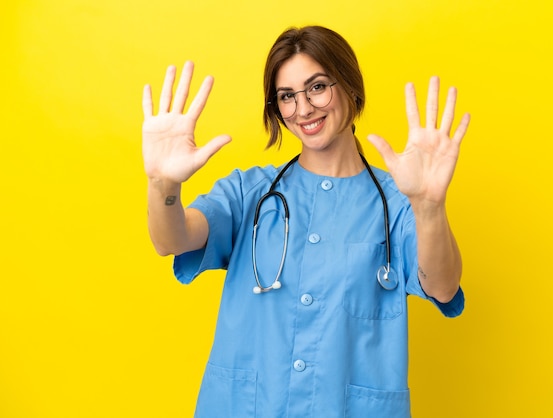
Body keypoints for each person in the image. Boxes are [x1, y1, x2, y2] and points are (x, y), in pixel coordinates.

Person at [142, 25, 470, 418]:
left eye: (316, 87)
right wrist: (163, 182)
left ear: (350, 85)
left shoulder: (398, 205)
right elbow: (171, 240)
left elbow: (444, 286)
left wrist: (430, 206)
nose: (303, 109)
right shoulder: (251, 193)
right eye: (286, 97)